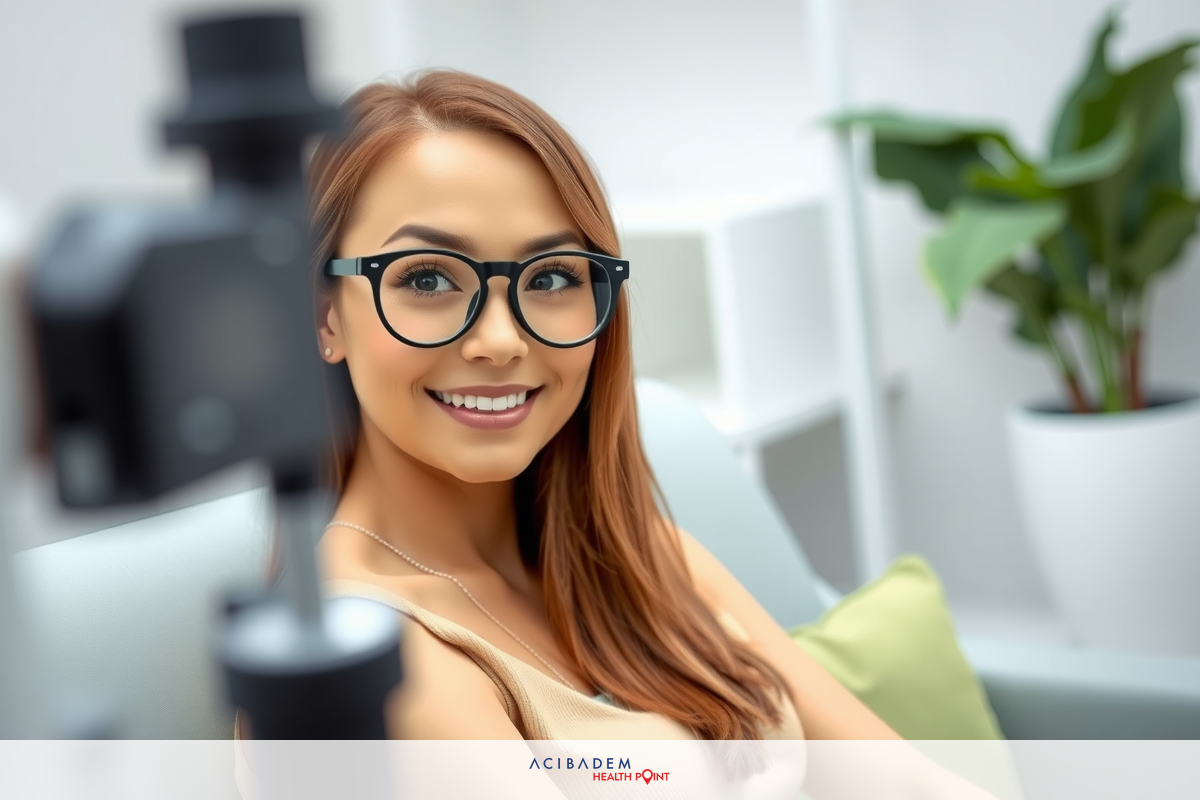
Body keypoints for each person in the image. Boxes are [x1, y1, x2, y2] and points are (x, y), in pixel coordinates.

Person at [236, 68, 998, 800]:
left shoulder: (638, 556)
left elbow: (906, 782)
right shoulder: (377, 658)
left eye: (552, 277)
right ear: (324, 314)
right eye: (429, 278)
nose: (500, 340)